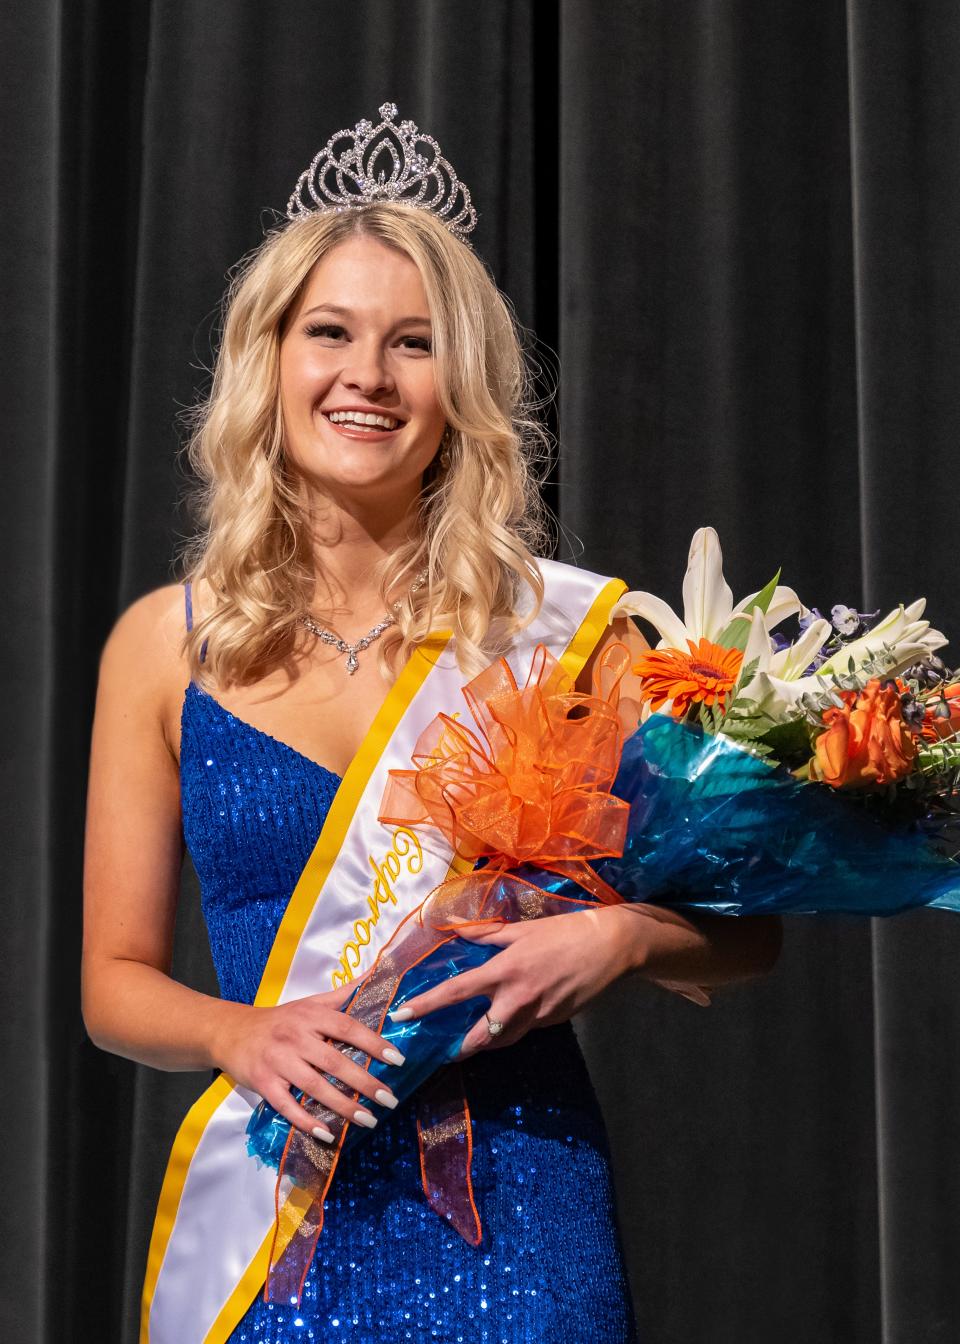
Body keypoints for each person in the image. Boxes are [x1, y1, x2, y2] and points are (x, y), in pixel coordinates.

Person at [82, 104, 782, 1343]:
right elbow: (113, 986)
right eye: (331, 333)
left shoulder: (570, 634)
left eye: (414, 344)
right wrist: (237, 1031)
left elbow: (745, 941)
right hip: (281, 1214)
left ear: (459, 389)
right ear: (273, 360)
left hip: (524, 1207)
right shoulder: (161, 648)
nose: (368, 376)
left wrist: (618, 939)